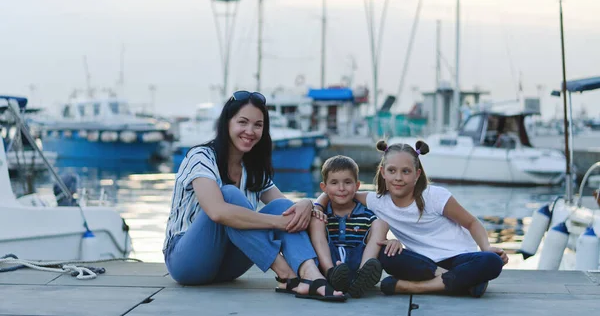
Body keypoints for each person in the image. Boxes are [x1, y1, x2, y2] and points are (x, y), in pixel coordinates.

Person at [163, 90, 346, 302]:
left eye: (258, 125)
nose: (250, 131)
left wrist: (306, 203)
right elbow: (217, 212)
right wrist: (278, 223)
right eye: (243, 122)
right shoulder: (201, 157)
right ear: (227, 123)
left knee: (281, 206)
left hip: (227, 267)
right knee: (229, 195)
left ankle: (310, 274)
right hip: (187, 261)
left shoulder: (253, 167)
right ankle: (287, 274)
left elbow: (284, 207)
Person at [316, 140, 508, 298]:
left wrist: (486, 247)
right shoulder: (378, 201)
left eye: (405, 171)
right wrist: (316, 205)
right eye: (392, 171)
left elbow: (471, 223)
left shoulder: (434, 196)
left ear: (417, 174)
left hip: (460, 258)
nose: (398, 177)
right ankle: (463, 284)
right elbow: (339, 194)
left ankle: (414, 287)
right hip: (422, 264)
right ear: (383, 172)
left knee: (491, 261)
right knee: (385, 253)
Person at [310, 156, 401, 298]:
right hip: (330, 260)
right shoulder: (323, 214)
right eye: (334, 183)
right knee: (315, 220)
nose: (341, 188)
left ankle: (363, 275)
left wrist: (392, 241)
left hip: (357, 259)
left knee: (380, 223)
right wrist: (317, 210)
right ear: (324, 188)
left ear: (357, 186)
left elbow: (377, 238)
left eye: (347, 182)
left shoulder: (366, 214)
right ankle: (331, 273)